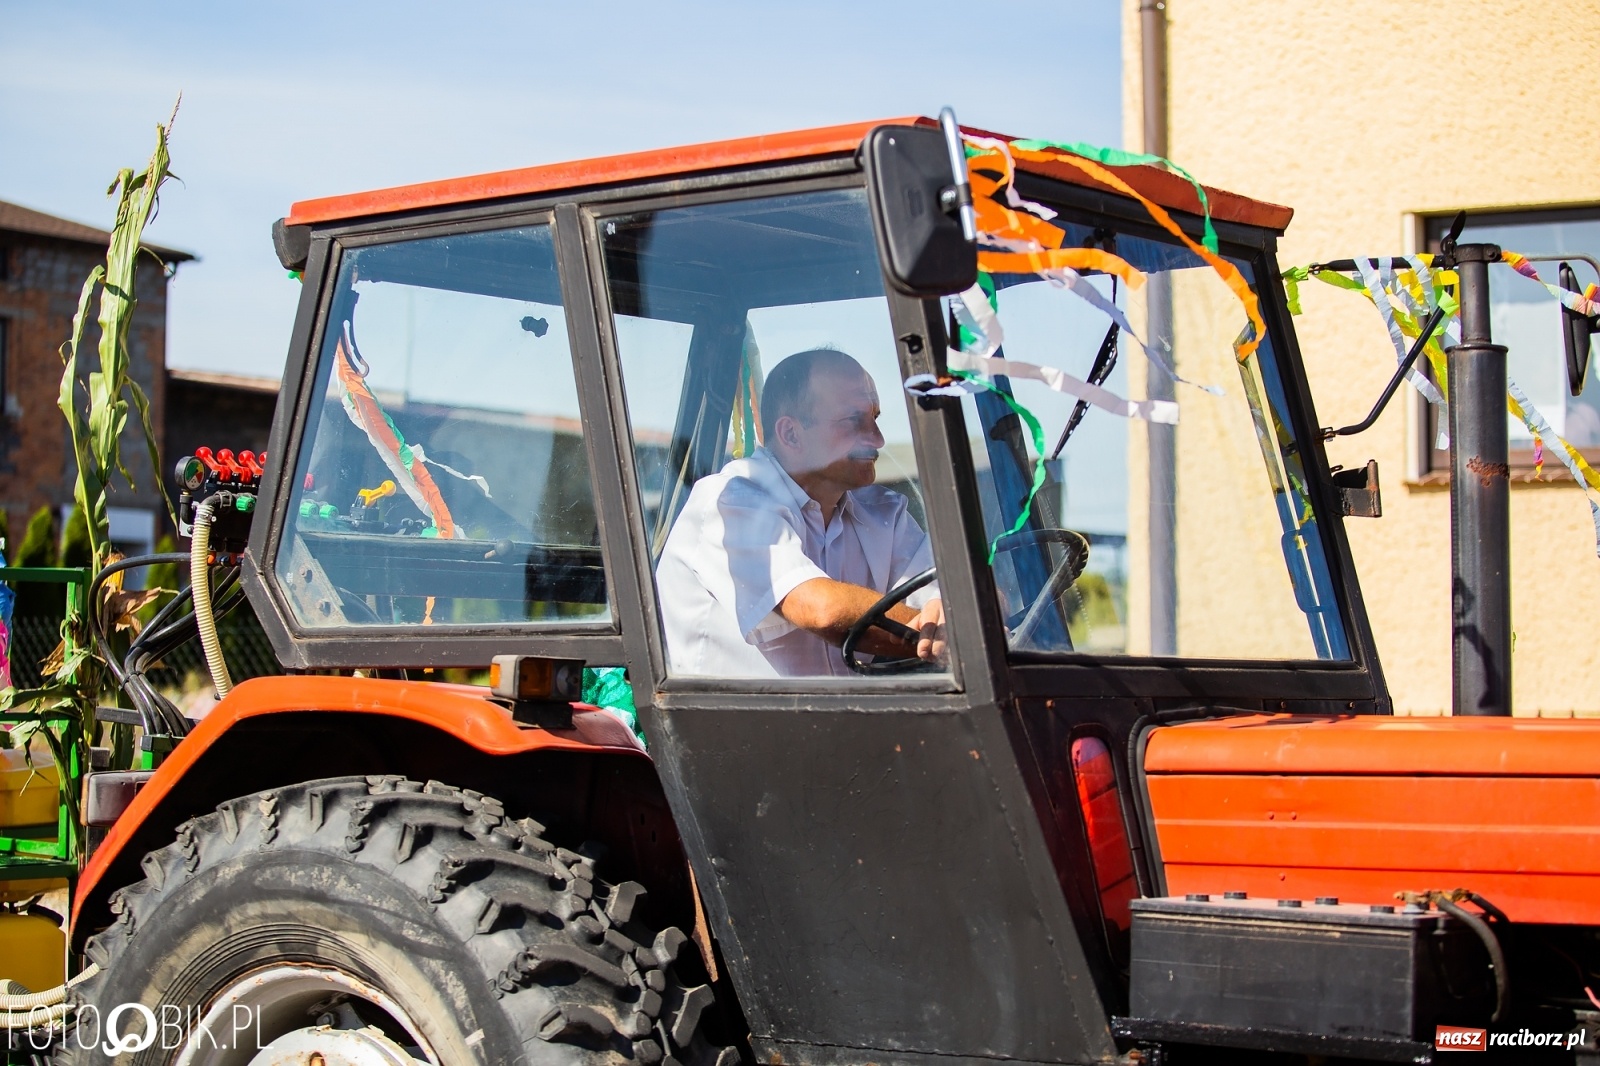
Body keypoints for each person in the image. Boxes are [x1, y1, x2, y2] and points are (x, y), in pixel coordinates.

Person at [657, 348, 946, 677]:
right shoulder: (729, 503)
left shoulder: (882, 512)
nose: (877, 440)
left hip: (843, 722)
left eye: (875, 419)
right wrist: (936, 632)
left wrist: (952, 612)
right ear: (791, 433)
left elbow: (961, 591)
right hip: (735, 725)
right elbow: (821, 610)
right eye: (853, 421)